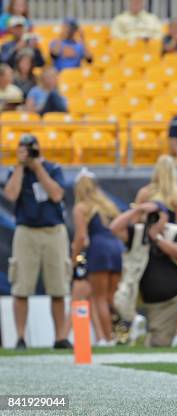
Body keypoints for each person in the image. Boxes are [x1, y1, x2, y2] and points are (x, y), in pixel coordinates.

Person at [110, 201, 177, 348]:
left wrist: (157, 238)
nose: (153, 218)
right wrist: (138, 209)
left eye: (157, 215)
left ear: (166, 216)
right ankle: (148, 335)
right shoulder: (137, 233)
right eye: (151, 215)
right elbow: (114, 228)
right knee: (158, 344)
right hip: (160, 303)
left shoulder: (174, 231)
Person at [3, 134, 72, 350]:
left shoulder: (52, 169)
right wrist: (21, 166)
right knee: (21, 286)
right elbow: (11, 195)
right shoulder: (16, 172)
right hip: (26, 232)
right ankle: (21, 337)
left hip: (53, 231)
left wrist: (37, 167)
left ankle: (60, 337)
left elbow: (56, 194)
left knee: (58, 287)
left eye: (30, 149)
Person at [134, 155, 177, 346]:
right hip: (172, 245)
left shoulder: (145, 193)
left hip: (150, 247)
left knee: (150, 287)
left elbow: (137, 221)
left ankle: (153, 327)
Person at [71, 169, 123, 346]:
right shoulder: (108, 204)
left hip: (98, 250)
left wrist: (73, 258)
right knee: (111, 298)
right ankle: (122, 331)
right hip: (116, 249)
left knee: (98, 298)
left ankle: (106, 338)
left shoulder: (81, 207)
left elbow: (81, 238)